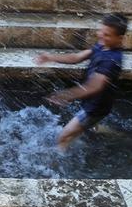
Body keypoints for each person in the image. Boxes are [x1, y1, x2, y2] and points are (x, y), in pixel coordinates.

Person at [34, 14, 127, 151]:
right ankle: (116, 134)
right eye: (101, 31)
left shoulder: (111, 60)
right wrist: (51, 57)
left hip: (95, 107)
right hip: (94, 102)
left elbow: (94, 86)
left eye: (106, 34)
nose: (101, 35)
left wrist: (66, 95)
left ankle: (56, 169)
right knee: (89, 126)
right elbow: (77, 57)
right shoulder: (103, 45)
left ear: (119, 38)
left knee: (63, 137)